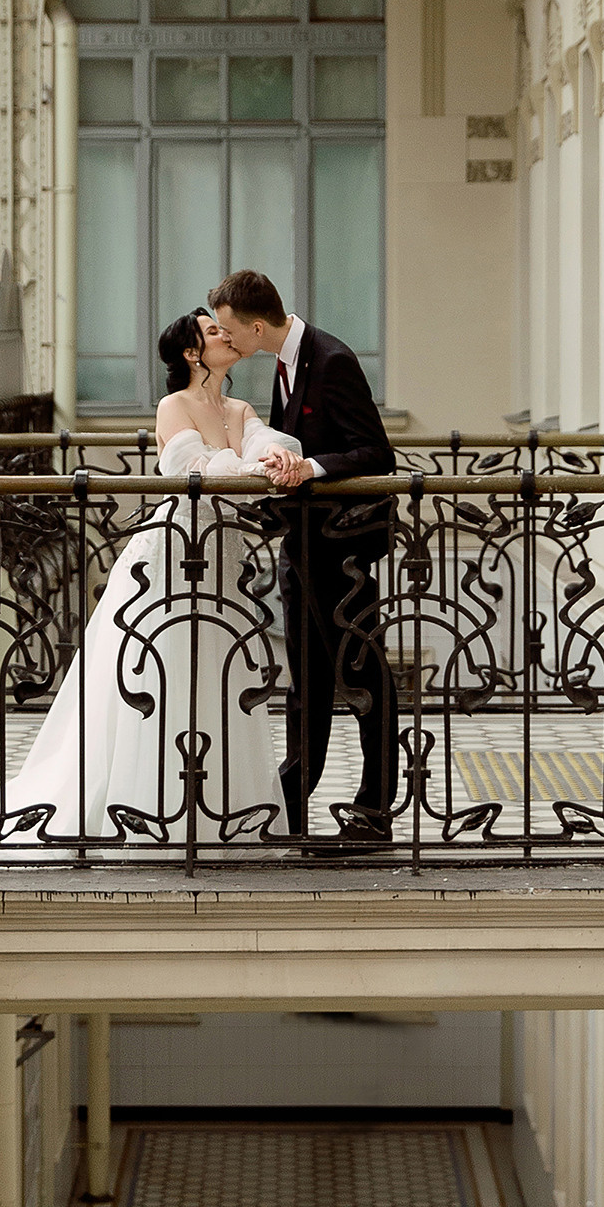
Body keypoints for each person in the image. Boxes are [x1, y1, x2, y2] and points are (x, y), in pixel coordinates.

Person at [0, 308, 303, 843]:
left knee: (219, 673)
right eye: (213, 331)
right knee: (161, 672)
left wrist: (276, 455)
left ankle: (219, 812)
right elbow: (196, 468)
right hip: (173, 554)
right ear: (191, 353)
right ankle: (147, 810)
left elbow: (265, 443)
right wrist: (258, 468)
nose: (226, 335)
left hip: (223, 557)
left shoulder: (239, 408)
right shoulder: (173, 405)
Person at [207, 269, 398, 837]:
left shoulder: (331, 359)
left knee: (362, 676)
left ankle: (375, 809)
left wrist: (308, 468)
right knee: (306, 683)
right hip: (302, 545)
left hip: (342, 552)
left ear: (256, 327)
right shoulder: (286, 362)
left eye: (227, 329)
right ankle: (293, 800)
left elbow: (375, 452)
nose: (224, 338)